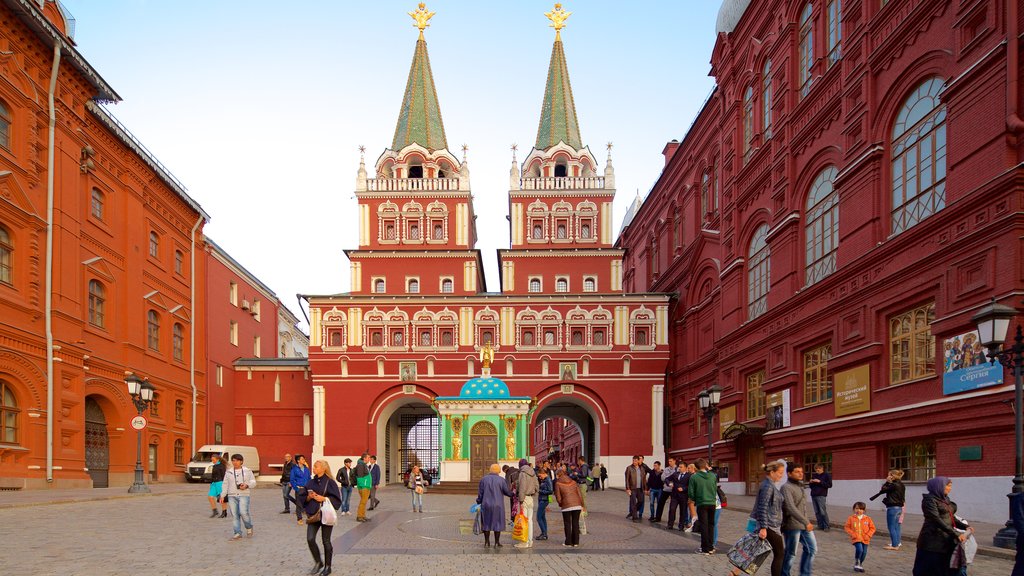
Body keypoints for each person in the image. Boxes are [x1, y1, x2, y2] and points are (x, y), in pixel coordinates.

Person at [912, 477, 972, 576]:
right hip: (932, 541)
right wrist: (956, 533)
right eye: (948, 486)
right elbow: (936, 520)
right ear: (939, 486)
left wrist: (965, 527)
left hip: (945, 540)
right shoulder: (929, 500)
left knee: (943, 569)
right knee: (928, 570)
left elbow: (951, 518)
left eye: (950, 486)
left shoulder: (945, 500)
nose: (950, 488)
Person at [304, 460, 341, 576]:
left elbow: (337, 500)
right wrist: (309, 498)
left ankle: (328, 567)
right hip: (313, 514)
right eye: (314, 466)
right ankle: (318, 562)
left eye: (316, 466)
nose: (313, 468)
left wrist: (324, 499)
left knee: (326, 541)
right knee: (310, 538)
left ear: (323, 468)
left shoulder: (330, 482)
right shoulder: (310, 482)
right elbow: (302, 497)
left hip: (326, 514)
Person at [780, 462, 816, 576]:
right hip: (792, 525)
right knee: (791, 553)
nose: (801, 474)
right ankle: (784, 573)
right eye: (797, 472)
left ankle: (805, 573)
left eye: (801, 471)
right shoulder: (786, 487)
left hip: (804, 524)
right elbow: (790, 507)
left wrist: (806, 522)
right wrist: (806, 522)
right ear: (789, 473)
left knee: (812, 549)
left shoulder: (800, 485)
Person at [754, 461, 787, 576]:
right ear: (772, 472)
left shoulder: (770, 484)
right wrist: (763, 527)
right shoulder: (768, 486)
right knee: (779, 554)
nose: (781, 475)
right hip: (770, 525)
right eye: (780, 473)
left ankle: (734, 572)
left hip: (772, 524)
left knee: (760, 552)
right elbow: (762, 507)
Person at [220, 453, 256, 541]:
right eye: (233, 460)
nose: (235, 462)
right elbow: (225, 484)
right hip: (232, 495)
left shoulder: (247, 471)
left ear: (241, 461)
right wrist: (222, 495)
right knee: (235, 515)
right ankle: (237, 533)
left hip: (244, 495)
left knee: (243, 512)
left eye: (237, 460)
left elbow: (253, 482)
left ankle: (249, 526)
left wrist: (246, 485)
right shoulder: (229, 472)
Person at [477, 463, 513, 547]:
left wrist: (479, 501)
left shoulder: (483, 479)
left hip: (486, 504)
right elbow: (506, 492)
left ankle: (486, 542)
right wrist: (513, 494)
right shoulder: (501, 480)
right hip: (498, 505)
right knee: (498, 523)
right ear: (499, 471)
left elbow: (480, 493)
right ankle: (497, 542)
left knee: (486, 523)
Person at [868, 469, 906, 550]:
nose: (888, 476)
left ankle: (894, 545)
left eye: (889, 475)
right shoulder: (902, 485)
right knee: (896, 526)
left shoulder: (893, 485)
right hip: (899, 507)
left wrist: (887, 482)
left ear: (892, 476)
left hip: (892, 507)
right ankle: (896, 543)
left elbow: (882, 490)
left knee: (891, 526)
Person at [688, 458, 719, 555]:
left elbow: (691, 492)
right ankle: (711, 546)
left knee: (704, 525)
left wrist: (695, 499)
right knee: (711, 524)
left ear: (696, 467)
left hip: (702, 503)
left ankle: (705, 548)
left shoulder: (694, 477)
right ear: (705, 465)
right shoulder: (713, 476)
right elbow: (715, 488)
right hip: (712, 502)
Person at [554, 469, 585, 547]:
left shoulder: (558, 484)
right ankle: (576, 542)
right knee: (575, 523)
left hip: (566, 505)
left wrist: (561, 504)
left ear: (558, 475)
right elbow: (580, 494)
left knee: (567, 523)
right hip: (577, 504)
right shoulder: (573, 482)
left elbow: (558, 497)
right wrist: (582, 504)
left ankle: (568, 542)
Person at [844, 502, 876, 573]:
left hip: (865, 539)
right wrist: (853, 534)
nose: (859, 510)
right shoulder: (851, 518)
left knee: (864, 553)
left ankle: (860, 564)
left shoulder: (868, 519)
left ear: (864, 510)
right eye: (857, 508)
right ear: (854, 509)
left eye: (861, 509)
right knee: (860, 549)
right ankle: (857, 562)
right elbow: (847, 527)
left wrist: (868, 535)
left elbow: (872, 528)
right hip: (856, 538)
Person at [515, 458, 539, 548]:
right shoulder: (532, 472)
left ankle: (524, 542)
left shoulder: (522, 473)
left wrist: (521, 499)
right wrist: (534, 493)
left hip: (524, 497)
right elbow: (537, 485)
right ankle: (530, 540)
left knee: (523, 520)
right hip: (530, 497)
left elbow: (522, 487)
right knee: (530, 521)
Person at [624, 455, 648, 523]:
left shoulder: (642, 468)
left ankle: (632, 512)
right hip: (632, 488)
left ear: (638, 461)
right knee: (633, 502)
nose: (634, 462)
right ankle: (635, 517)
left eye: (635, 460)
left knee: (641, 501)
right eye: (633, 460)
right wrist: (628, 488)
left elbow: (644, 479)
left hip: (640, 488)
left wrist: (645, 488)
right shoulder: (629, 468)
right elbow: (627, 479)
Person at [667, 460, 689, 531]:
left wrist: (684, 488)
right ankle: (670, 524)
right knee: (672, 509)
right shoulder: (675, 474)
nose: (679, 468)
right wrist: (669, 483)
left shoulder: (689, 476)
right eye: (679, 467)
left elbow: (690, 486)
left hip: (683, 496)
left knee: (683, 511)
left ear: (685, 468)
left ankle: (681, 526)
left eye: (681, 467)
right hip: (674, 495)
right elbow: (667, 479)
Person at [808, 464, 831, 532]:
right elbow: (811, 486)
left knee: (822, 511)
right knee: (817, 511)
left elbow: (829, 485)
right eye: (816, 469)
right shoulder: (814, 475)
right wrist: (811, 482)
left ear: (822, 468)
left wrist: (820, 481)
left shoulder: (826, 475)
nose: (817, 470)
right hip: (814, 495)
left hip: (821, 495)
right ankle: (820, 525)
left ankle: (826, 526)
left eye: (819, 468)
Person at [290, 455, 311, 525]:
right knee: (299, 504)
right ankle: (299, 518)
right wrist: (296, 488)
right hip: (299, 488)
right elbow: (292, 480)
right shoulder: (294, 469)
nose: (304, 460)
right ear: (298, 461)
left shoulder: (307, 469)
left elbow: (309, 478)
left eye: (304, 459)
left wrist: (310, 487)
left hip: (306, 488)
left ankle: (309, 517)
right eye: (302, 459)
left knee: (307, 503)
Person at [653, 457, 676, 522]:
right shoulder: (666, 469)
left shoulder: (677, 469)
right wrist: (668, 480)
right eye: (669, 461)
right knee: (660, 503)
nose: (669, 463)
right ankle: (657, 518)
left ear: (674, 461)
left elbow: (676, 478)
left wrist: (668, 479)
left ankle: (671, 520)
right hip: (666, 489)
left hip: (673, 489)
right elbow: (663, 477)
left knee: (672, 506)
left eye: (671, 461)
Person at [208, 453, 228, 518]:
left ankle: (224, 512)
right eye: (212, 460)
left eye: (213, 460)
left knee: (221, 498)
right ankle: (215, 511)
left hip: (220, 483)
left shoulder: (222, 466)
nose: (212, 461)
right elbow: (213, 476)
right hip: (214, 483)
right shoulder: (214, 466)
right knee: (210, 496)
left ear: (217, 459)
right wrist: (211, 483)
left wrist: (224, 484)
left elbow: (224, 475)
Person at [354, 452, 372, 522]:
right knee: (363, 502)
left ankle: (363, 515)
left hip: (366, 486)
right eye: (368, 458)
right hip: (364, 486)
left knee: (364, 502)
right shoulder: (361, 465)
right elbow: (360, 477)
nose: (369, 459)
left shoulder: (363, 465)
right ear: (364, 458)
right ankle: (359, 516)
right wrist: (363, 485)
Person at [536, 466, 553, 541]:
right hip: (542, 499)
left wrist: (540, 491)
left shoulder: (548, 480)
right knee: (542, 517)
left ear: (543, 473)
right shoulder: (545, 479)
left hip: (544, 500)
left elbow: (550, 491)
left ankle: (544, 534)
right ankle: (544, 533)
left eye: (540, 476)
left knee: (538, 517)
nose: (539, 477)